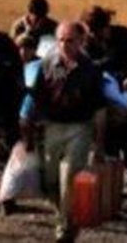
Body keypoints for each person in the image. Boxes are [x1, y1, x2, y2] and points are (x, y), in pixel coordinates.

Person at [26, 21, 107, 243]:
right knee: (51, 179)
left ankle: (64, 226)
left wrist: (99, 144)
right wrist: (29, 131)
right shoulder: (46, 65)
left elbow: (100, 110)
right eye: (60, 40)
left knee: (69, 177)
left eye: (70, 40)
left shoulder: (91, 70)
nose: (64, 45)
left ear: (81, 41)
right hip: (52, 127)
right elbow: (35, 100)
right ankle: (63, 212)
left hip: (80, 128)